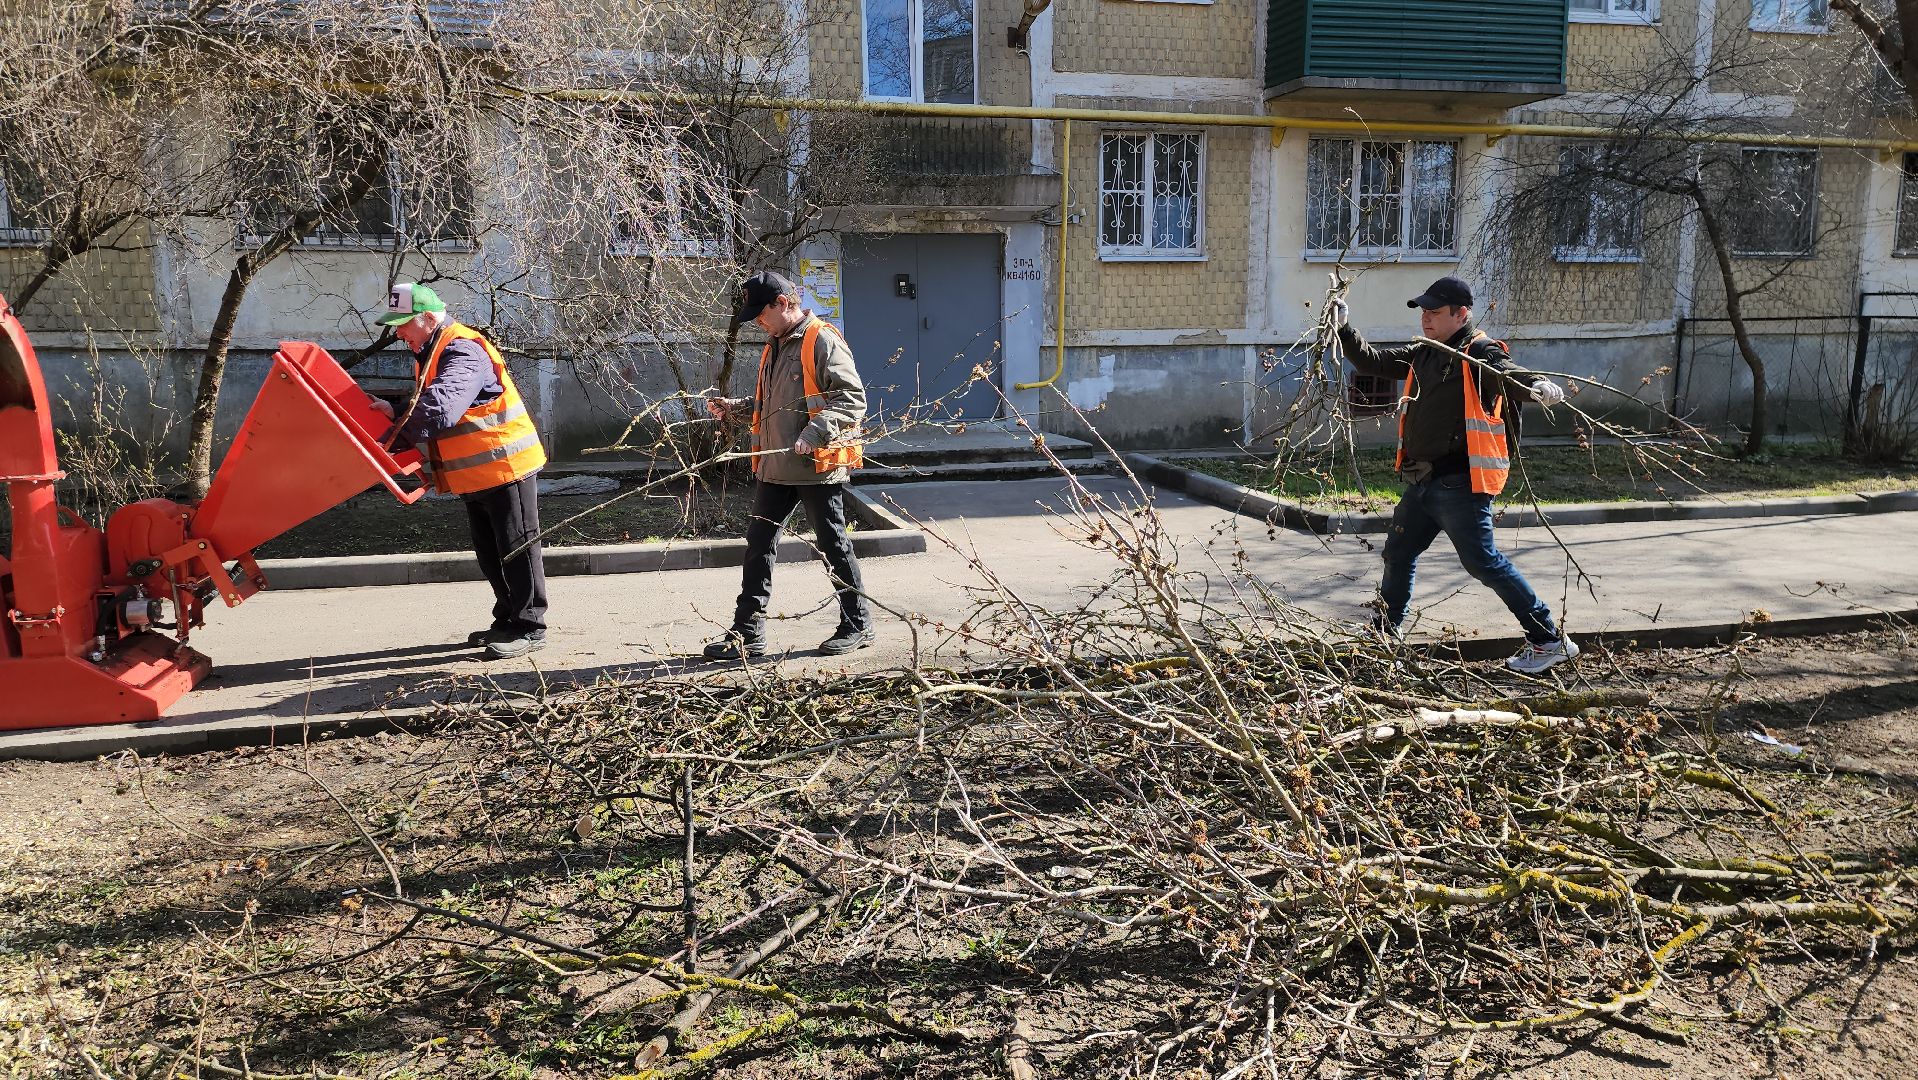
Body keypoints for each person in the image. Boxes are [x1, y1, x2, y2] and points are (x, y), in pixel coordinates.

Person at [1328, 275, 1578, 674]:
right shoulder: (1425, 351)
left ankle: (1548, 638)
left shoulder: (1479, 352)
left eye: (1434, 311)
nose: (1425, 318)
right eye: (1423, 311)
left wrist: (1536, 386)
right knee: (1398, 553)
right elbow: (1373, 361)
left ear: (1460, 314)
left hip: (1460, 483)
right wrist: (1344, 329)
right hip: (1422, 481)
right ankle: (1385, 634)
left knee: (1483, 563)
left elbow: (1507, 372)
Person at [373, 282, 551, 660]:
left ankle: (529, 626)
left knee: (517, 547)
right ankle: (507, 619)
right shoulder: (434, 348)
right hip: (479, 473)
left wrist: (393, 435)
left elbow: (442, 407)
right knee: (491, 553)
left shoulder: (461, 348)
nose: (398, 332)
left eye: (403, 323)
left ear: (426, 317)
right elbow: (433, 397)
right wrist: (398, 408)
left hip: (505, 467)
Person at [703, 270, 872, 660]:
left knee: (833, 545)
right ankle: (748, 632)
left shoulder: (821, 339)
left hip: (816, 466)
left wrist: (812, 435)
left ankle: (857, 623)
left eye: (761, 314)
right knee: (758, 547)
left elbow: (852, 400)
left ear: (783, 304)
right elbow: (774, 406)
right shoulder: (775, 344)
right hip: (775, 468)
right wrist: (737, 409)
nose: (758, 322)